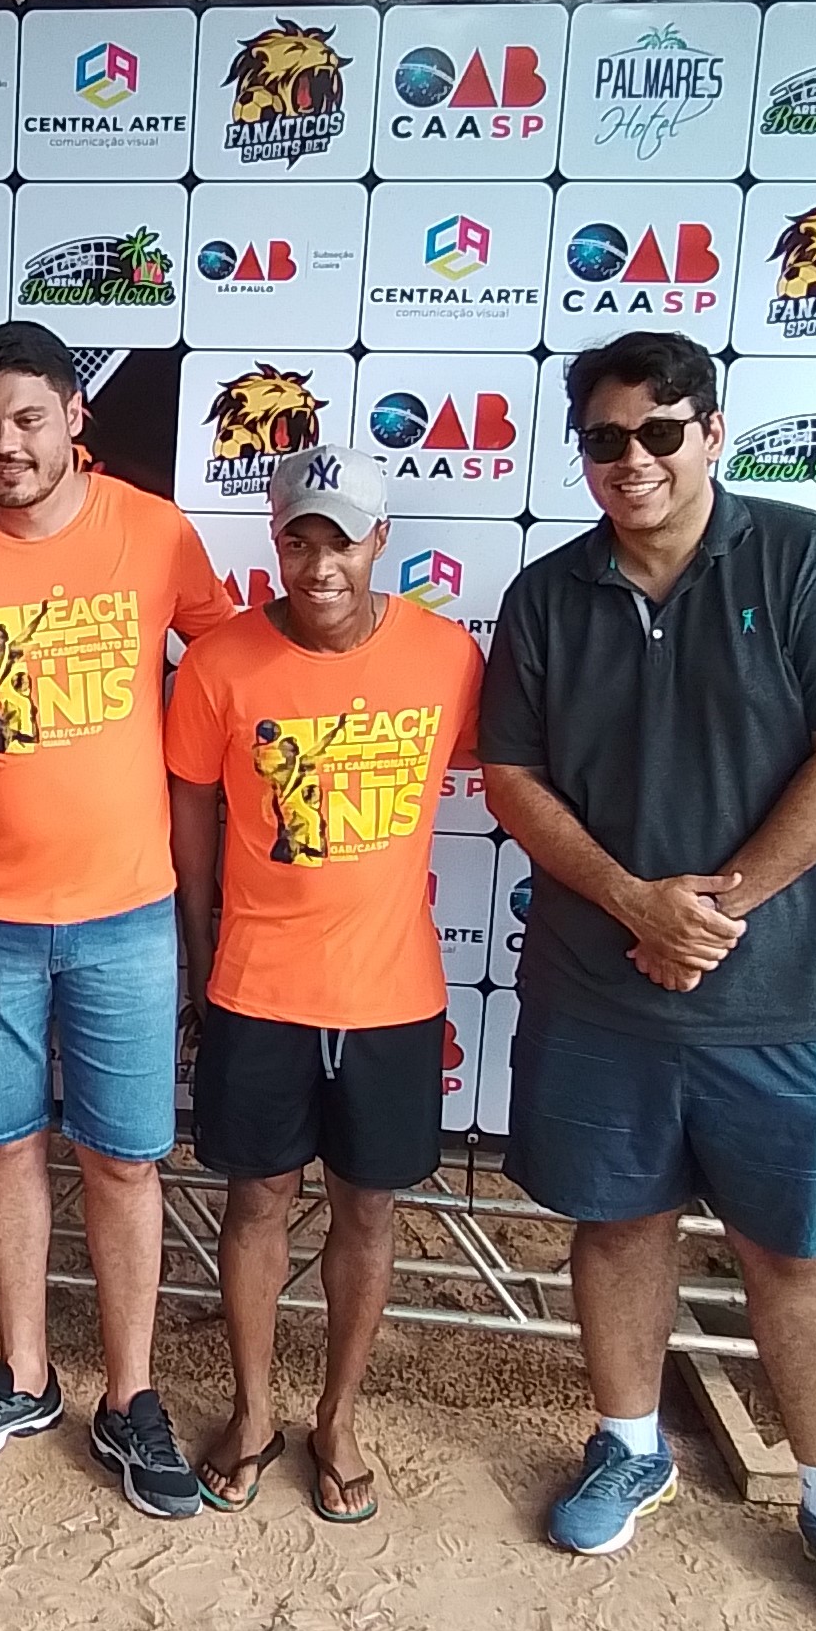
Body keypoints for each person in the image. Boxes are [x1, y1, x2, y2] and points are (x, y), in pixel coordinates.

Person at [480, 331, 816, 1631]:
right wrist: (630, 901)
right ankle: (628, 1443)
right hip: (602, 988)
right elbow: (510, 775)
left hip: (788, 994)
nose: (632, 462)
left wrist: (712, 907)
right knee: (616, 1225)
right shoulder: (547, 594)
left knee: (793, 1248)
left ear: (712, 432)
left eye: (659, 433)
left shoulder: (806, 557)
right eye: (605, 440)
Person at [0, 321, 236, 1519]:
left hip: (129, 915)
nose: (3, 444)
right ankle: (25, 1372)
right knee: (0, 1147)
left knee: (126, 1161)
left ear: (77, 416)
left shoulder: (155, 532)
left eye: (27, 418)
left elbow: (237, 675)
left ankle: (131, 1399)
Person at [165, 445, 483, 1520]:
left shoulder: (447, 657)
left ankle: (337, 1416)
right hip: (259, 988)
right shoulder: (219, 665)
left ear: (379, 542)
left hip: (394, 993)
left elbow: (528, 775)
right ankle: (253, 1411)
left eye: (340, 537)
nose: (319, 560)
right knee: (256, 1202)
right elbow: (194, 831)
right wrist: (204, 970)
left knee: (369, 1209)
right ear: (278, 541)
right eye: (299, 537)